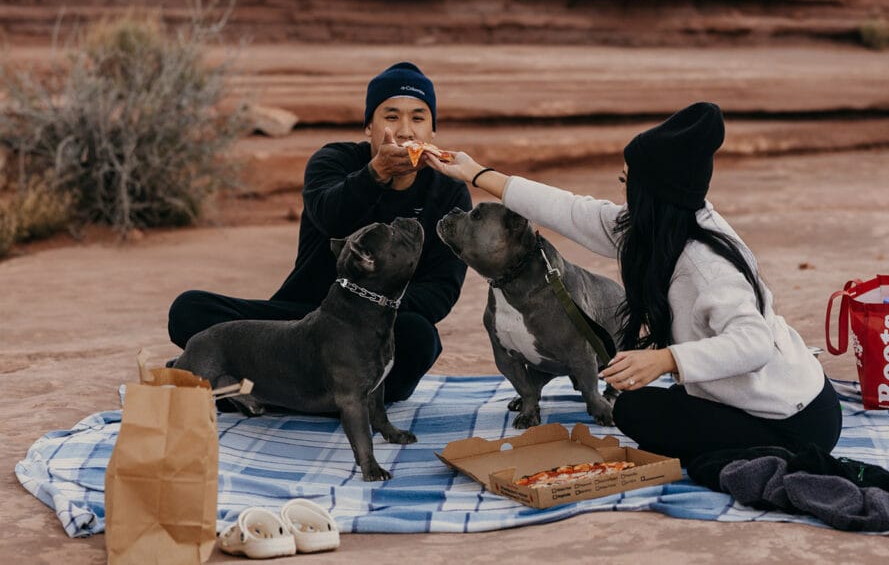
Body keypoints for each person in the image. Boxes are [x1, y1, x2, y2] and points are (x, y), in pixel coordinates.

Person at [426, 101, 841, 462]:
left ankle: (763, 452)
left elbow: (754, 344)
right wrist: (477, 173)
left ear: (653, 193)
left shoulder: (706, 265)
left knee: (636, 413)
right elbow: (571, 211)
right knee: (644, 409)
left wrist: (666, 359)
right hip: (750, 399)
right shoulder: (661, 226)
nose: (621, 195)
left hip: (793, 418)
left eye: (627, 184)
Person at [168, 61, 472, 402]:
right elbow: (332, 218)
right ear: (368, 126)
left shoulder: (448, 192)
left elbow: (441, 291)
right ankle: (319, 400)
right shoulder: (332, 162)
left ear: (432, 132)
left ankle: (268, 391)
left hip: (375, 332)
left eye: (418, 118)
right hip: (300, 323)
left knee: (420, 337)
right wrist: (376, 174)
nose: (404, 131)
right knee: (189, 310)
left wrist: (372, 307)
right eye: (390, 116)